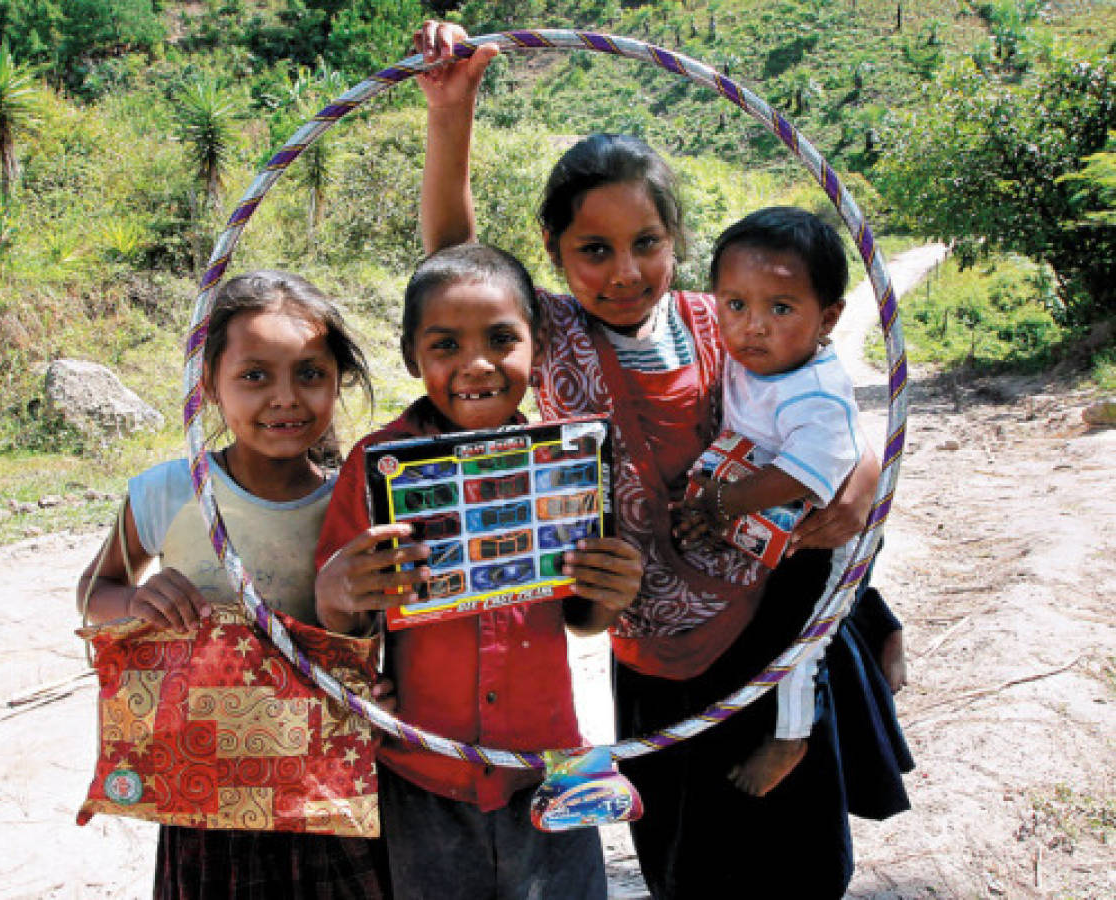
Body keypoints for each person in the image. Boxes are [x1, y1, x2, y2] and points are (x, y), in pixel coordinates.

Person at [413, 22, 892, 899]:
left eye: (646, 244)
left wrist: (858, 481)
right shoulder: (550, 334)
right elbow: (455, 262)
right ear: (555, 256)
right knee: (688, 864)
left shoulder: (734, 321)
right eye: (592, 250)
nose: (623, 271)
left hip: (768, 627)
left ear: (677, 241)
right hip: (652, 658)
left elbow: (829, 410)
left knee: (799, 860)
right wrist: (453, 110)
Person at [313, 242, 644, 900]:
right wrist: (336, 594)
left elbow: (579, 615)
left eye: (500, 338)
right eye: (445, 346)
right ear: (413, 357)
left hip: (548, 767)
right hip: (422, 772)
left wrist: (610, 592)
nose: (476, 365)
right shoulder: (377, 464)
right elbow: (344, 625)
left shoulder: (567, 461)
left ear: (536, 343)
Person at [77, 269, 391, 900]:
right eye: (254, 376)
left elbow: (384, 633)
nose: (286, 397)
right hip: (202, 792)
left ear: (337, 382)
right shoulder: (169, 492)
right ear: (209, 387)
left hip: (323, 790)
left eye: (310, 373)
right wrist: (138, 600)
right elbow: (95, 592)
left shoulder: (354, 505)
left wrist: (384, 686)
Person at [676, 206, 868, 798]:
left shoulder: (814, 393)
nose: (752, 327)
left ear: (828, 318)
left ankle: (791, 736)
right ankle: (881, 625)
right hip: (763, 514)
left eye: (780, 309)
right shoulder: (753, 353)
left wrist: (720, 503)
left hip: (817, 530)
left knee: (798, 640)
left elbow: (802, 477)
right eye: (735, 305)